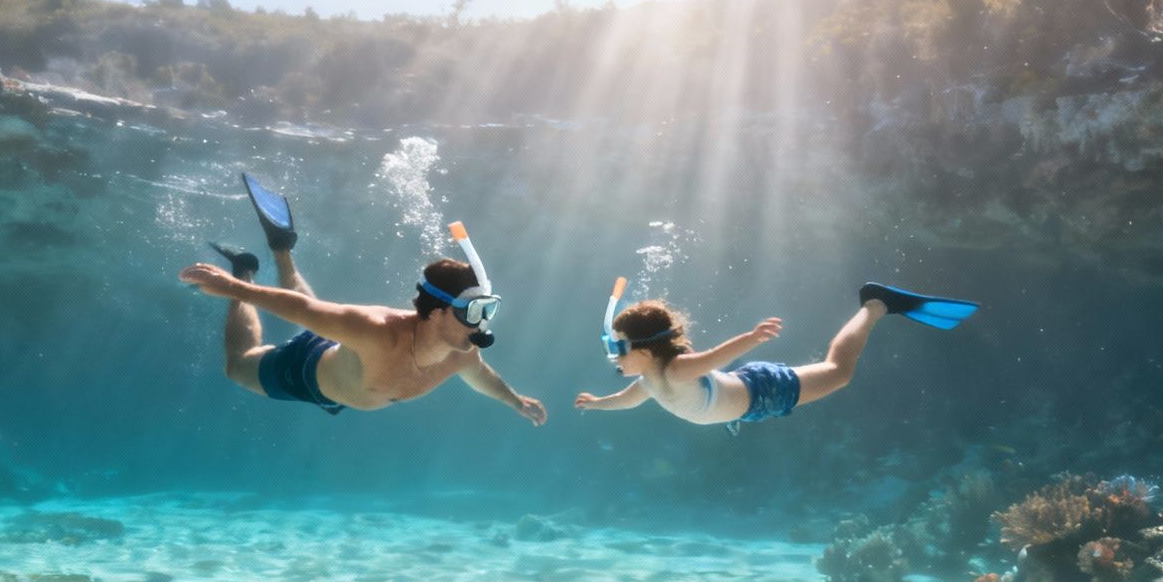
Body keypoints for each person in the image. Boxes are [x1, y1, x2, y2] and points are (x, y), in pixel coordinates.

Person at [178, 174, 547, 425]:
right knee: (237, 367)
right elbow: (302, 310)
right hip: (304, 372)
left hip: (344, 359)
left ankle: (281, 248)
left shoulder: (463, 352)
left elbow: (480, 376)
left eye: (488, 309)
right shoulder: (377, 331)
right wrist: (233, 287)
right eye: (475, 311)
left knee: (317, 315)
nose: (483, 324)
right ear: (436, 313)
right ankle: (244, 266)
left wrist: (515, 402)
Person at [574, 282, 976, 428]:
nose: (612, 355)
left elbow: (715, 357)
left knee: (838, 373)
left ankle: (876, 304)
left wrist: (751, 337)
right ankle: (877, 305)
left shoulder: (677, 369)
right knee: (834, 373)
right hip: (746, 406)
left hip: (763, 390)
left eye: (617, 346)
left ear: (645, 349)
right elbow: (628, 401)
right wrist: (598, 404)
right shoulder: (649, 379)